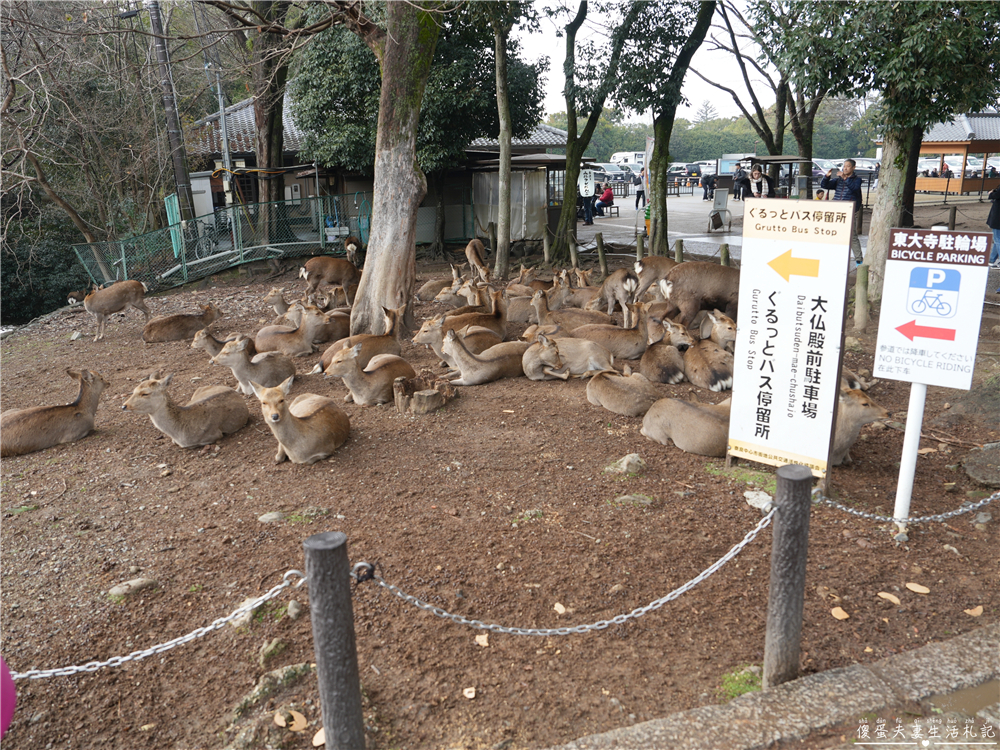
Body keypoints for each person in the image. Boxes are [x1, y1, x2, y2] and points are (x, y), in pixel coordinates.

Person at [821, 158, 865, 266]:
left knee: (852, 235)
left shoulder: (857, 180)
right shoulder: (838, 180)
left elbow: (854, 188)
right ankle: (834, 256)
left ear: (853, 168)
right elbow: (824, 185)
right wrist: (827, 176)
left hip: (849, 209)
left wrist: (845, 178)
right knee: (833, 232)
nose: (845, 168)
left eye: (848, 166)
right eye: (844, 166)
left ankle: (859, 260)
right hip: (837, 209)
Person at [987, 185, 1000, 268]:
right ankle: (992, 259)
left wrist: (991, 193)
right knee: (997, 239)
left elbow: (997, 195)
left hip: (998, 217)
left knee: (997, 239)